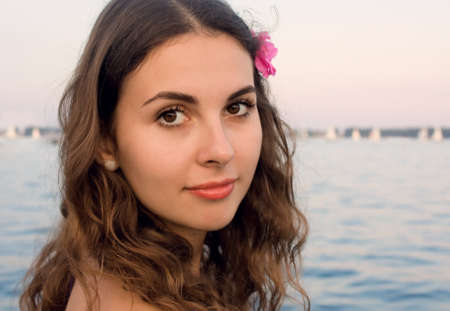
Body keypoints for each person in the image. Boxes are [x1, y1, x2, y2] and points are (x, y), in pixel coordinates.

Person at [20, 0, 310, 310]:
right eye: (171, 115)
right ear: (106, 141)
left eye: (236, 107)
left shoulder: (109, 270)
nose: (221, 150)